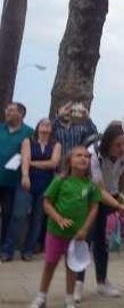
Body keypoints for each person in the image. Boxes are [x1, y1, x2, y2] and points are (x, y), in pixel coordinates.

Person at [29, 145, 101, 308]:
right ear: (69, 160)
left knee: (73, 267)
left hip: (76, 236)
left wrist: (85, 229)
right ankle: (41, 296)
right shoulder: (60, 180)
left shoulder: (91, 185)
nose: (84, 158)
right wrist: (58, 218)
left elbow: (94, 208)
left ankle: (69, 298)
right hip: (56, 232)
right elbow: (47, 202)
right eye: (79, 155)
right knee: (50, 264)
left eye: (87, 156)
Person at [75, 123, 124, 301]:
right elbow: (99, 190)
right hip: (90, 196)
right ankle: (77, 284)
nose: (122, 148)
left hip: (112, 195)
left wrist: (121, 196)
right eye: (118, 144)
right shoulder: (93, 154)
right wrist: (118, 206)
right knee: (85, 239)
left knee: (103, 240)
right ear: (108, 142)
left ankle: (102, 282)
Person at [5, 118, 60, 261]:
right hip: (28, 180)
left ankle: (28, 250)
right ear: (38, 127)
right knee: (19, 215)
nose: (46, 126)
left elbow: (53, 163)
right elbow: (24, 160)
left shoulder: (56, 144)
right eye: (43, 124)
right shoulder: (28, 141)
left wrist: (32, 162)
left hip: (46, 184)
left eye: (49, 124)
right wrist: (25, 175)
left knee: (38, 217)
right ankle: (8, 250)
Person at [1, 102, 33, 261]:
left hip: (14, 183)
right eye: (7, 109)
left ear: (21, 114)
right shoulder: (1, 128)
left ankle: (5, 249)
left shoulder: (28, 132)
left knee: (9, 216)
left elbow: (28, 156)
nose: (7, 111)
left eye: (11, 110)